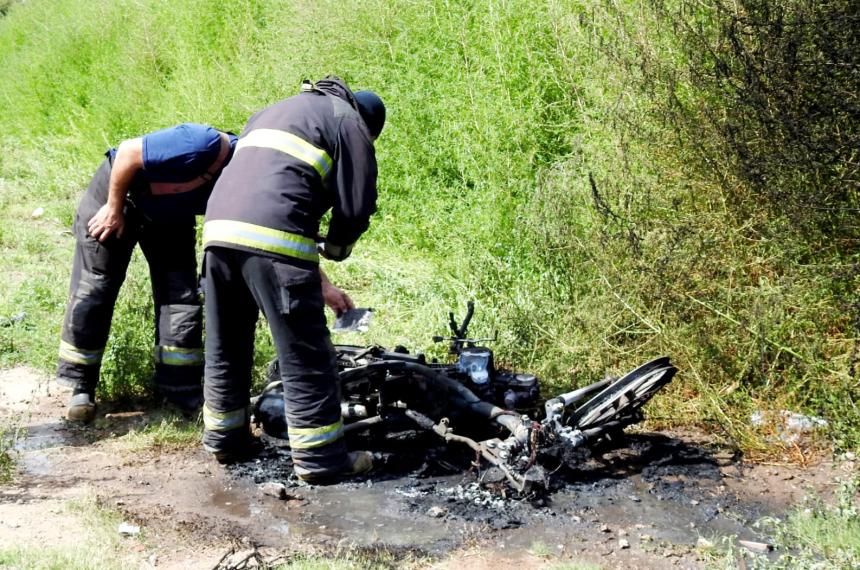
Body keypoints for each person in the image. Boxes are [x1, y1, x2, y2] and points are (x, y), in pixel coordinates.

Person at [201, 76, 385, 483]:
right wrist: (337, 249)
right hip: (272, 238)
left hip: (217, 233)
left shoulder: (277, 109)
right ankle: (321, 460)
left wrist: (320, 280)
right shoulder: (348, 120)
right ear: (369, 125)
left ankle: (225, 439)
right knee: (305, 351)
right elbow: (356, 204)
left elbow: (272, 193)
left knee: (226, 342)